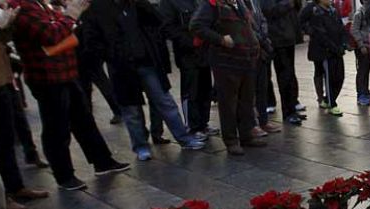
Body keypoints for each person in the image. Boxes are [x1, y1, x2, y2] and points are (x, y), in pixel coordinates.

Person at [9, 0, 129, 191]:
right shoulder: (24, 9)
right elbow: (51, 35)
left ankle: (103, 161)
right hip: (47, 77)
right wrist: (71, 15)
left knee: (84, 120)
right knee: (57, 128)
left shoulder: (41, 5)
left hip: (66, 72)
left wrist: (65, 17)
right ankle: (64, 175)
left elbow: (60, 26)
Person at [80, 0, 207, 162]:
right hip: (121, 66)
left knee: (164, 100)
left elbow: (157, 20)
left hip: (146, 60)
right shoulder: (98, 8)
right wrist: (110, 54)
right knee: (131, 109)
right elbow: (91, 39)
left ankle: (183, 137)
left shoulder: (135, 4)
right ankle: (141, 146)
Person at [0, 1, 49, 209]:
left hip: (2, 81)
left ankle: (16, 187)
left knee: (7, 140)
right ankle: (0, 197)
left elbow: (2, 41)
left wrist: (7, 25)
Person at [191, 0, 266, 155]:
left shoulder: (239, 3)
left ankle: (246, 135)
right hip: (226, 62)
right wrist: (221, 39)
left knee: (246, 100)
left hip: (247, 60)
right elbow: (196, 26)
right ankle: (231, 140)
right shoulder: (212, 4)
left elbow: (249, 25)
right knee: (228, 103)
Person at [159, 0, 218, 140]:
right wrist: (189, 42)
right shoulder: (170, 3)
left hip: (204, 51)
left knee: (205, 88)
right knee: (191, 91)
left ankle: (203, 122)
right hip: (187, 53)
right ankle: (193, 125)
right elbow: (167, 27)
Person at [261, 0, 304, 125]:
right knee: (281, 76)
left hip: (288, 37)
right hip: (275, 39)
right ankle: (285, 110)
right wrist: (289, 3)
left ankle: (292, 108)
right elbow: (268, 10)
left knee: (289, 75)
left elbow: (296, 8)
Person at [306, 0, 346, 115]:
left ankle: (327, 98)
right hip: (325, 51)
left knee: (340, 77)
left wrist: (344, 43)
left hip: (337, 50)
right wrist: (333, 47)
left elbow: (341, 28)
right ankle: (331, 102)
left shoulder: (333, 11)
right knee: (328, 77)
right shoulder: (315, 12)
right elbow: (321, 34)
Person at [249, 0, 281, 136]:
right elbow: (246, 24)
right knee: (250, 91)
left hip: (261, 50)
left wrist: (263, 36)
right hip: (249, 49)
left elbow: (262, 20)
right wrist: (259, 39)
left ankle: (263, 120)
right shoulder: (239, 3)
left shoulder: (255, 2)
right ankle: (252, 124)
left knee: (262, 87)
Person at [351, 0, 370, 105]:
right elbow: (354, 30)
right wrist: (361, 44)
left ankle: (366, 91)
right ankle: (361, 94)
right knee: (362, 71)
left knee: (367, 70)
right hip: (363, 47)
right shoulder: (359, 13)